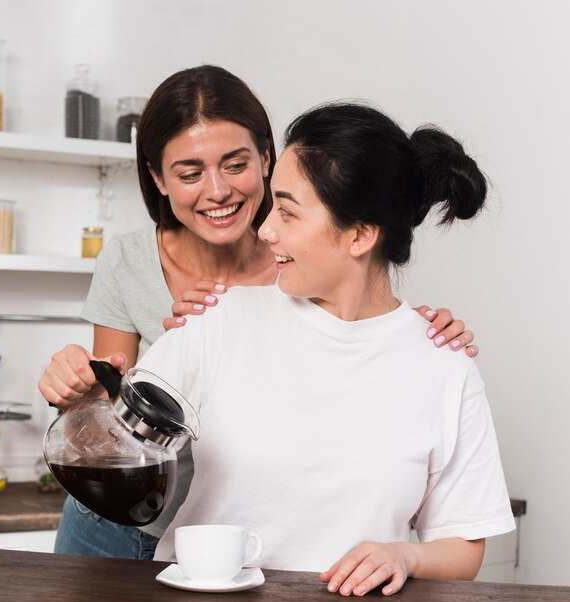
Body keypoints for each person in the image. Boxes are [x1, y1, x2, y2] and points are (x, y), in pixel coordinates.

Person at [40, 66, 480, 561]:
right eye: (189, 173)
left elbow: (364, 335)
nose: (218, 191)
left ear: (266, 160)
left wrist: (419, 336)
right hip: (125, 516)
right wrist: (78, 389)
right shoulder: (173, 290)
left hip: (224, 541)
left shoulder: (312, 266)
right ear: (157, 178)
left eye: (234, 164)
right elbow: (113, 414)